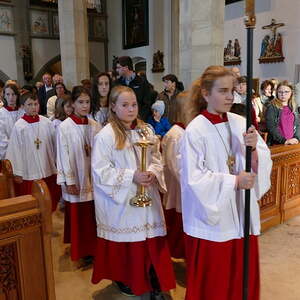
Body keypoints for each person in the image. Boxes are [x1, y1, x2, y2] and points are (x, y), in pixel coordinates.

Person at [180, 66, 272, 300]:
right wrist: (233, 181)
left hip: (241, 211)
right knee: (216, 283)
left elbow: (260, 159)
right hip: (214, 220)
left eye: (232, 90)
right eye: (223, 91)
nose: (230, 96)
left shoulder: (239, 122)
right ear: (205, 93)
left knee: (241, 278)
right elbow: (194, 179)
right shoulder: (195, 130)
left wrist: (253, 152)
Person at [91, 85, 176, 299]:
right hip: (123, 200)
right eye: (125, 105)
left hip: (148, 195)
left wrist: (153, 173)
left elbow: (157, 158)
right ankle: (128, 279)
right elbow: (100, 171)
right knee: (132, 244)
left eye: (134, 104)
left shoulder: (146, 130)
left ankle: (155, 280)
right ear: (113, 107)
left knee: (152, 241)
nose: (131, 109)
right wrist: (132, 176)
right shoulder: (106, 136)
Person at [56, 86, 101, 264]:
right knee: (79, 217)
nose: (84, 106)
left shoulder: (95, 126)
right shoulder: (65, 127)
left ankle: (94, 249)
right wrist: (69, 181)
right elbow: (62, 155)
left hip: (93, 180)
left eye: (87, 102)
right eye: (80, 102)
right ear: (72, 104)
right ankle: (82, 251)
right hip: (76, 179)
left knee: (92, 216)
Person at [5, 92, 61, 211]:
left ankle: (47, 225)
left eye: (36, 104)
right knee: (34, 203)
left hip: (48, 168)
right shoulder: (19, 126)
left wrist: (57, 163)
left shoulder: (46, 122)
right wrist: (17, 172)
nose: (33, 107)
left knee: (50, 200)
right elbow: (15, 150)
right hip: (29, 171)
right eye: (29, 104)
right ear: (22, 107)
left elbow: (54, 145)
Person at [161, 91, 196, 259]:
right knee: (176, 228)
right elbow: (176, 168)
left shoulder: (186, 131)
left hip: (186, 192)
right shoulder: (176, 135)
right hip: (178, 192)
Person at [115, 56, 152, 121]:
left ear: (126, 68)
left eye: (118, 67)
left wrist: (140, 118)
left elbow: (147, 103)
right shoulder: (117, 83)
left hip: (138, 119)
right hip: (121, 120)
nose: (116, 70)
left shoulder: (142, 82)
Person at [265, 81, 300, 145]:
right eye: (280, 92)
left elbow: (297, 125)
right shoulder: (272, 107)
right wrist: (284, 141)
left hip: (293, 143)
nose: (283, 94)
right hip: (278, 143)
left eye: (286, 92)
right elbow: (271, 127)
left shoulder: (294, 107)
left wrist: (296, 138)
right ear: (277, 93)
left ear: (291, 93)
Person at [0, 83, 24, 160]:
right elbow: (2, 137)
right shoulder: (1, 113)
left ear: (17, 96)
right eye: (8, 94)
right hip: (8, 152)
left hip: (24, 149)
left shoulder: (23, 112)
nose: (11, 97)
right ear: (4, 96)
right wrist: (14, 148)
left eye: (13, 94)